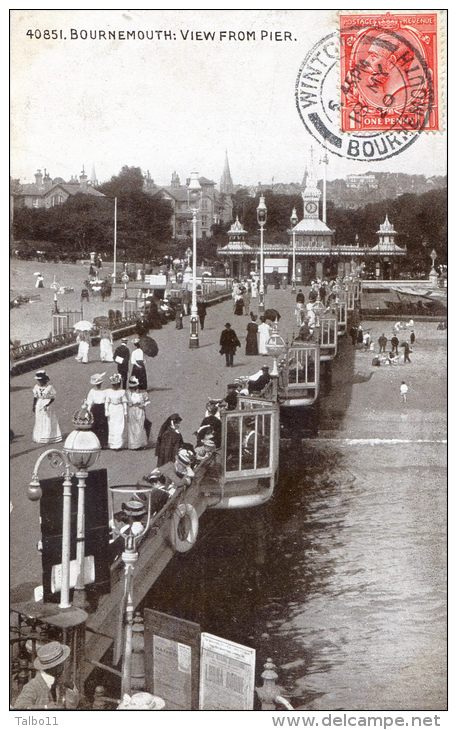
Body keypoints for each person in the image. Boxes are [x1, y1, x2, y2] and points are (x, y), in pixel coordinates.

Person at [13, 641, 78, 709]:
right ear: (54, 667)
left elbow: (72, 706)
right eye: (61, 663)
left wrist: (70, 686)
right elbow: (19, 707)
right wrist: (46, 707)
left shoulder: (59, 683)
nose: (64, 666)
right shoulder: (32, 686)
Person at [32, 370, 62, 444]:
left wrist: (48, 404)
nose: (40, 382)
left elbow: (53, 398)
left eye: (41, 380)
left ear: (44, 380)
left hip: (47, 404)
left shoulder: (50, 387)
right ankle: (39, 436)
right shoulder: (36, 387)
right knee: (39, 419)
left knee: (48, 420)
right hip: (39, 404)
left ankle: (48, 436)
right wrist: (34, 405)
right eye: (38, 380)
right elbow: (35, 397)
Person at [85, 372, 108, 448]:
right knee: (95, 425)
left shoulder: (105, 390)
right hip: (95, 409)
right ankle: (96, 443)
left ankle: (104, 443)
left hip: (103, 408)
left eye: (99, 383)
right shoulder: (92, 391)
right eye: (97, 384)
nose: (98, 385)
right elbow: (90, 402)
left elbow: (107, 400)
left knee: (103, 425)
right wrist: (88, 411)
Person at [105, 373, 127, 450]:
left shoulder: (122, 392)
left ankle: (118, 444)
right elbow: (107, 402)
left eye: (116, 384)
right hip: (112, 409)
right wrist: (106, 410)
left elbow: (124, 401)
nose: (114, 386)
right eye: (113, 385)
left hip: (119, 409)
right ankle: (112, 444)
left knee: (120, 426)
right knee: (112, 425)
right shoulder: (108, 391)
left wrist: (125, 411)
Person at [126, 376, 150, 450]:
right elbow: (126, 402)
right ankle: (134, 444)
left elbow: (147, 401)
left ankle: (141, 443)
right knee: (132, 427)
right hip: (131, 410)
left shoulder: (143, 393)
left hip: (140, 410)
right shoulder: (128, 392)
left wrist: (143, 404)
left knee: (140, 425)